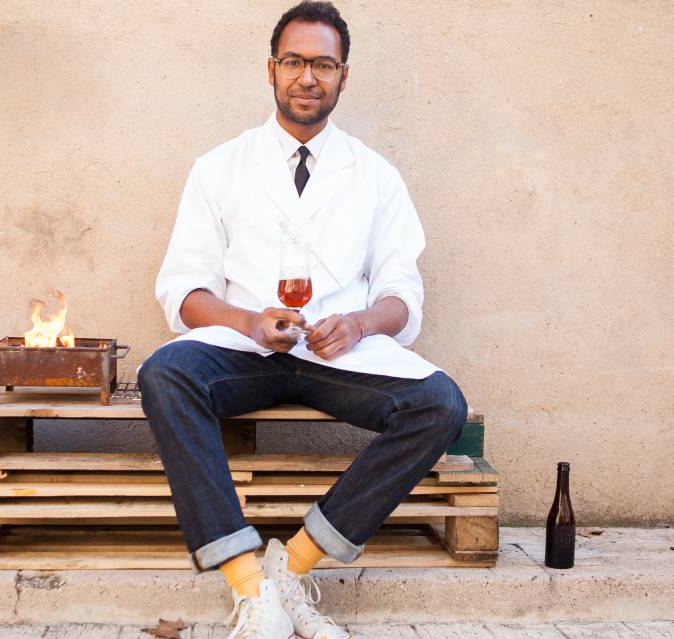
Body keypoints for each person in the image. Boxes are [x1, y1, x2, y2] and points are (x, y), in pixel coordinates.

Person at [139, 2, 468, 637]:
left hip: (336, 358)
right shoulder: (219, 167)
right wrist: (247, 321)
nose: (307, 77)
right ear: (271, 70)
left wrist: (362, 323)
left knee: (441, 405)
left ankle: (291, 568)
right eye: (294, 61)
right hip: (246, 353)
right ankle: (248, 587)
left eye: (323, 64)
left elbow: (403, 290)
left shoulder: (375, 176)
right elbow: (183, 290)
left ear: (345, 76)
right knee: (165, 373)